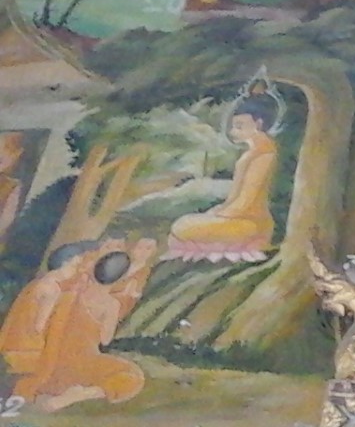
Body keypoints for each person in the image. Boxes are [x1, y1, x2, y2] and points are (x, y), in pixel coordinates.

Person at [2, 238, 157, 410]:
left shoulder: (69, 294)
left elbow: (45, 326)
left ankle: (66, 395)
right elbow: (105, 340)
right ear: (120, 277)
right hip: (83, 363)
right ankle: (84, 394)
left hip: (50, 364)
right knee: (132, 376)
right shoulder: (111, 304)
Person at [167, 92, 281, 261]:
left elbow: (245, 202)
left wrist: (218, 216)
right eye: (234, 126)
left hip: (251, 224)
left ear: (258, 124)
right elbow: (233, 198)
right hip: (236, 217)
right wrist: (217, 211)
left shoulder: (265, 154)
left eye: (239, 126)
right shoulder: (250, 154)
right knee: (183, 224)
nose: (233, 132)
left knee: (182, 227)